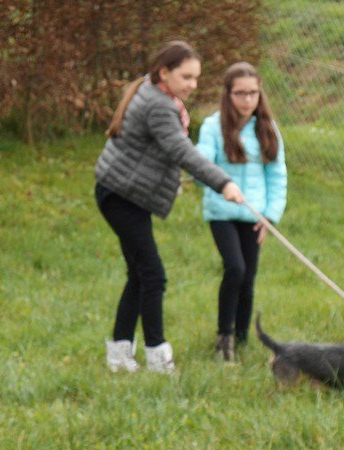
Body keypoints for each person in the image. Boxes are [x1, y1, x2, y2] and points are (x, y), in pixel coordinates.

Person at [95, 41, 244, 374]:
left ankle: (119, 353)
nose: (193, 84)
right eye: (186, 77)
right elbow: (182, 151)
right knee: (153, 275)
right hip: (121, 196)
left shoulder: (155, 92)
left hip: (123, 193)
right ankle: (157, 356)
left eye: (196, 77)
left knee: (139, 273)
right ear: (164, 72)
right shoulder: (159, 106)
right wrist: (223, 183)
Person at [196, 62, 287, 362]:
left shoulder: (267, 128)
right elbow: (200, 167)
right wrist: (222, 184)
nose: (247, 100)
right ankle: (224, 336)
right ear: (228, 94)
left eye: (253, 93)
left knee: (248, 277)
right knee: (234, 268)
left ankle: (242, 338)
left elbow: (277, 175)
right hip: (221, 212)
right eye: (240, 93)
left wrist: (270, 216)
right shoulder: (212, 127)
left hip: (254, 215)